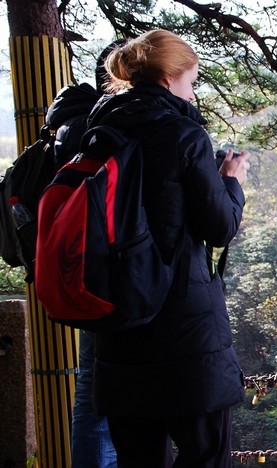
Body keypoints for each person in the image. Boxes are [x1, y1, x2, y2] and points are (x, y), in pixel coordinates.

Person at [85, 29, 250, 466]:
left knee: (138, 458)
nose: (192, 93)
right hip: (183, 330)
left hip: (119, 326)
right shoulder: (183, 134)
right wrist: (231, 182)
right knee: (206, 452)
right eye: (192, 82)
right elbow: (218, 227)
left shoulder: (96, 132)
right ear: (169, 77)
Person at [45, 39, 125, 468]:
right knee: (105, 391)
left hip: (79, 268)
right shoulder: (104, 126)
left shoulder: (71, 123)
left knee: (90, 387)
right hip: (111, 270)